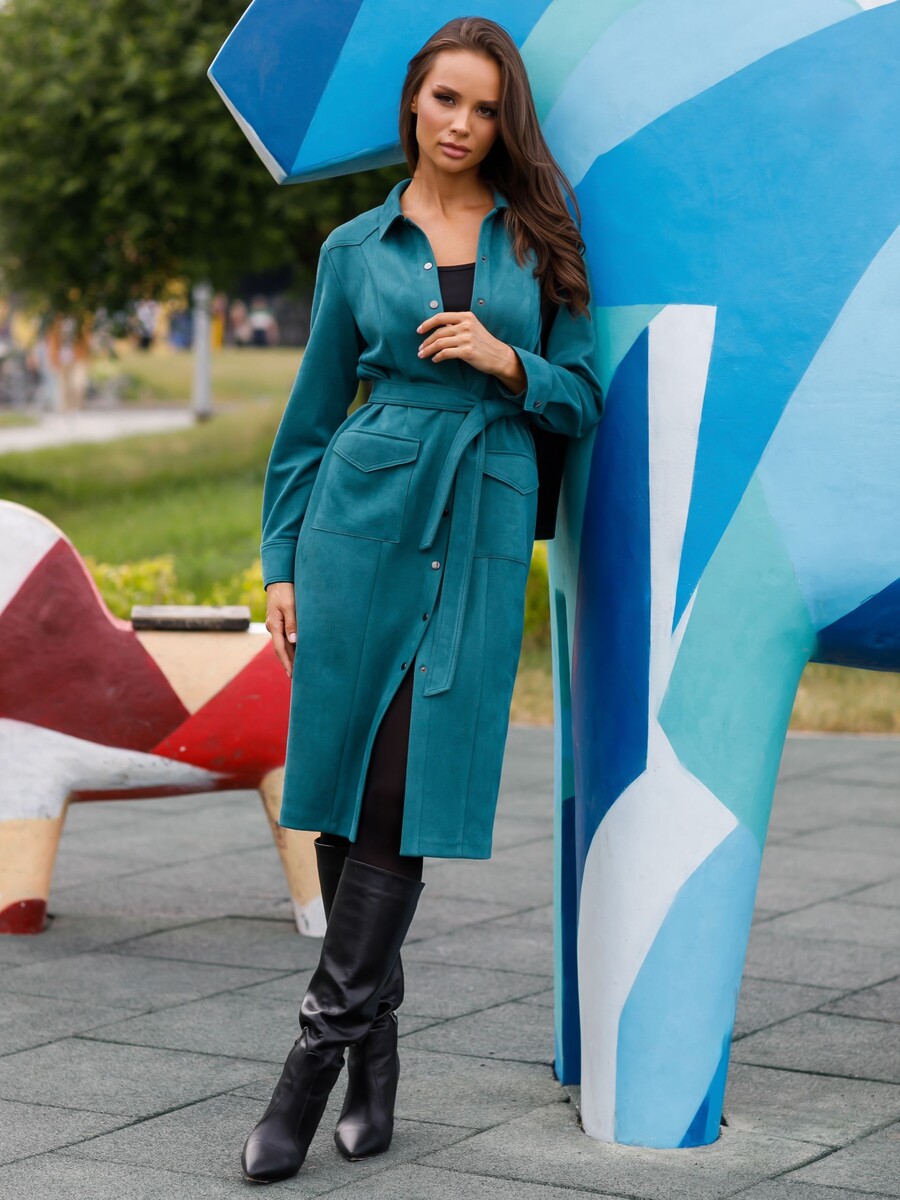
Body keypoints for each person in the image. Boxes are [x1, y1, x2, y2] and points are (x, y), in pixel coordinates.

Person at [240, 16, 604, 1185]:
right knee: (342, 794)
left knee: (399, 788)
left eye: (486, 108)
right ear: (413, 103)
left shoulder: (540, 239)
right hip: (359, 524)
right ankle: (375, 1057)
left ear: (505, 123)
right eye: (446, 99)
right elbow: (309, 419)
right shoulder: (355, 247)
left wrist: (509, 363)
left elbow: (584, 396)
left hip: (482, 515)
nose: (462, 124)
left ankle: (309, 1067)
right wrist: (281, 561)